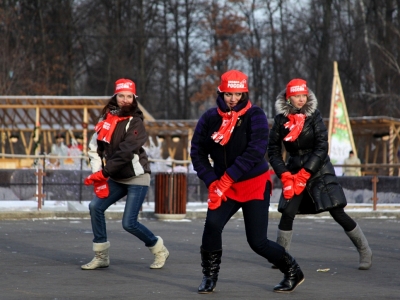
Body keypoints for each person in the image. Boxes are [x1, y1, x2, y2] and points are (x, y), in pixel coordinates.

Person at [190, 70, 304, 294]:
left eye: (238, 94)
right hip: (223, 185)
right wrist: (213, 181)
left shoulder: (256, 115)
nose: (233, 99)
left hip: (253, 183)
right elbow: (197, 153)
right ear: (220, 92)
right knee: (212, 225)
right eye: (228, 94)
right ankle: (209, 276)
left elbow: (255, 151)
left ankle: (292, 270)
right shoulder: (209, 118)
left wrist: (226, 179)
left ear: (245, 93)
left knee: (257, 241)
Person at [267, 78, 372, 270]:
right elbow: (273, 150)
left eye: (303, 95)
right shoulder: (281, 120)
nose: (301, 99)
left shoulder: (313, 115)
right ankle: (280, 256)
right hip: (293, 170)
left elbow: (322, 146)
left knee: (337, 210)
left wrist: (307, 171)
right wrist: (285, 174)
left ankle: (365, 250)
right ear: (288, 98)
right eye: (296, 96)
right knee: (287, 212)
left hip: (319, 169)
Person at [81, 78, 169, 270]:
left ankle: (159, 249)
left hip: (137, 177)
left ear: (134, 98)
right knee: (95, 206)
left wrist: (104, 173)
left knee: (129, 223)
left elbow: (126, 152)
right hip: (116, 177)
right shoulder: (105, 119)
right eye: (121, 95)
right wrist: (98, 175)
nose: (125, 100)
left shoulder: (135, 122)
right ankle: (101, 255)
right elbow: (94, 149)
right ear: (115, 96)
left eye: (129, 96)